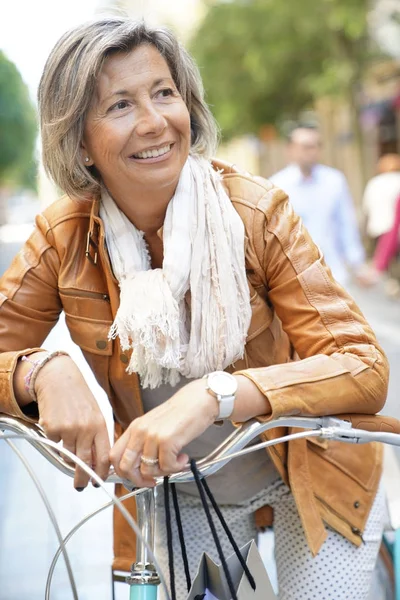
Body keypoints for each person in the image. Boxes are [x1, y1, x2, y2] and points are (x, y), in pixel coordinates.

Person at [0, 17, 389, 600]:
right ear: (78, 140)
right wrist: (41, 371)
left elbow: (363, 366)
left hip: (315, 465)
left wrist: (212, 395)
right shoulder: (62, 237)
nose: (155, 122)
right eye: (120, 105)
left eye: (164, 93)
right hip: (176, 483)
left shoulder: (257, 213)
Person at [270, 126, 367, 287]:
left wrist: (357, 263)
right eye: (306, 146)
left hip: (334, 273)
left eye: (317, 145)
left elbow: (346, 224)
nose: (312, 151)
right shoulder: (277, 185)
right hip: (295, 278)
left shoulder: (334, 181)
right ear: (290, 149)